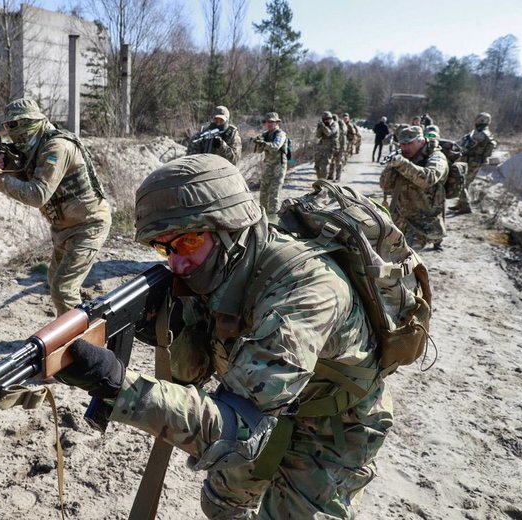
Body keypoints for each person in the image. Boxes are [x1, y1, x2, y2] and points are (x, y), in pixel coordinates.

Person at [57, 153, 393, 519]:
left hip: (333, 423)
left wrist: (119, 386)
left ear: (230, 228)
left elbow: (239, 430)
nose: (176, 263)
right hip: (264, 402)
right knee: (221, 505)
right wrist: (169, 328)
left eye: (187, 242)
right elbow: (197, 373)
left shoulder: (306, 291)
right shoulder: (222, 265)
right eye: (163, 247)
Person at [0, 97, 111, 315]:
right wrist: (4, 166)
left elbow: (37, 194)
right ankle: (78, 322)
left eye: (19, 124)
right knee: (54, 282)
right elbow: (29, 180)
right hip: (65, 229)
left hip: (88, 226)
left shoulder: (56, 147)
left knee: (63, 290)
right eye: (10, 126)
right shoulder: (36, 148)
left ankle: (82, 334)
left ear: (35, 121)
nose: (15, 133)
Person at [379, 125, 448, 250]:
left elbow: (429, 178)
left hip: (422, 221)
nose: (405, 147)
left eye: (409, 143)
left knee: (407, 255)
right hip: (399, 217)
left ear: (421, 141)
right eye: (402, 144)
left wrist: (402, 164)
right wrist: (391, 167)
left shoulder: (436, 156)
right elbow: (385, 185)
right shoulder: (403, 156)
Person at [451, 112, 498, 214]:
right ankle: (461, 203)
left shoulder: (480, 134)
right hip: (475, 161)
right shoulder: (485, 132)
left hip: (471, 161)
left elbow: (466, 146)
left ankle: (465, 206)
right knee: (466, 183)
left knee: (461, 183)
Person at [253, 112, 289, 219]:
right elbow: (258, 151)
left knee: (274, 194)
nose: (269, 124)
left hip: (279, 166)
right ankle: (263, 217)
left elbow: (275, 147)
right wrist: (258, 142)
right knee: (263, 193)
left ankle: (273, 219)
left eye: (272, 122)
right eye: (267, 122)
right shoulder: (265, 134)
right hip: (268, 166)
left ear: (277, 122)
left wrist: (263, 143)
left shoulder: (280, 134)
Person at [314, 111, 338, 179]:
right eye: (324, 119)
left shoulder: (334, 124)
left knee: (324, 166)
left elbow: (329, 133)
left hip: (330, 148)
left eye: (327, 119)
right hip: (322, 147)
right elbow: (318, 136)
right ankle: (320, 180)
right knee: (317, 165)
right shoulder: (323, 125)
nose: (326, 120)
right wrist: (319, 128)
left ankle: (323, 182)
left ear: (331, 118)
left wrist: (323, 127)